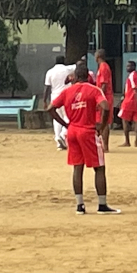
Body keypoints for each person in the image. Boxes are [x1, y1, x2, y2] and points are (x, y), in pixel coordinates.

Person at [50, 61, 118, 214]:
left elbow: (50, 108)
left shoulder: (67, 92)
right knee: (99, 167)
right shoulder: (93, 90)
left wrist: (65, 124)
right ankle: (102, 204)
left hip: (73, 131)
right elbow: (106, 106)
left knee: (77, 167)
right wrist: (101, 125)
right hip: (87, 130)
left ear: (74, 76)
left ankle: (80, 205)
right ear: (88, 75)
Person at [43, 53, 71, 151]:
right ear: (64, 61)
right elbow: (78, 65)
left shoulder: (50, 72)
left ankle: (58, 140)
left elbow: (47, 87)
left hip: (54, 97)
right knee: (67, 117)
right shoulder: (68, 69)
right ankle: (63, 135)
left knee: (56, 119)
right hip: (66, 97)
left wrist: (44, 101)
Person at [94, 48, 115, 152]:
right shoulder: (102, 67)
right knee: (100, 121)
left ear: (98, 56)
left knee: (105, 121)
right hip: (104, 97)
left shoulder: (103, 67)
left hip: (105, 97)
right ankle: (102, 144)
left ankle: (105, 146)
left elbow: (104, 84)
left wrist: (100, 98)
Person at [119, 60, 137, 147]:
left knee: (124, 120)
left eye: (129, 66)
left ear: (133, 67)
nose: (127, 68)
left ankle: (127, 141)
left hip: (129, 101)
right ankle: (136, 141)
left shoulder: (132, 76)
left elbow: (135, 89)